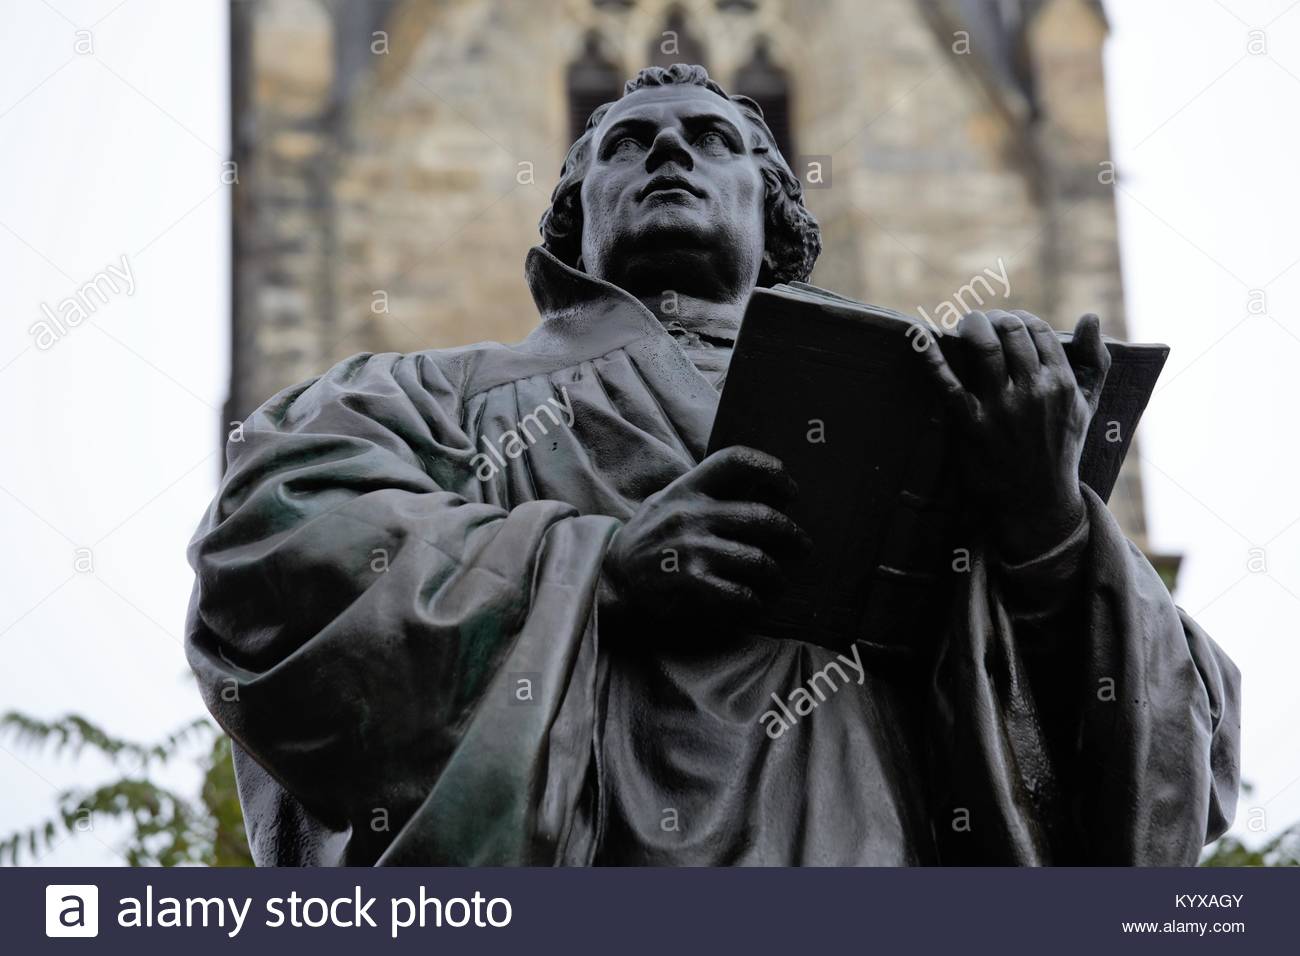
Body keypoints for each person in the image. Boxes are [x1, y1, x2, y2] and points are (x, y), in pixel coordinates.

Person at [186, 64, 1239, 866]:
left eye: (712, 139)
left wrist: (1047, 531)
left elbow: (1177, 739)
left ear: (773, 203)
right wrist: (592, 566)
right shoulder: (431, 394)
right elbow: (268, 540)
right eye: (626, 142)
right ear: (573, 213)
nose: (669, 154)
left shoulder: (944, 403)